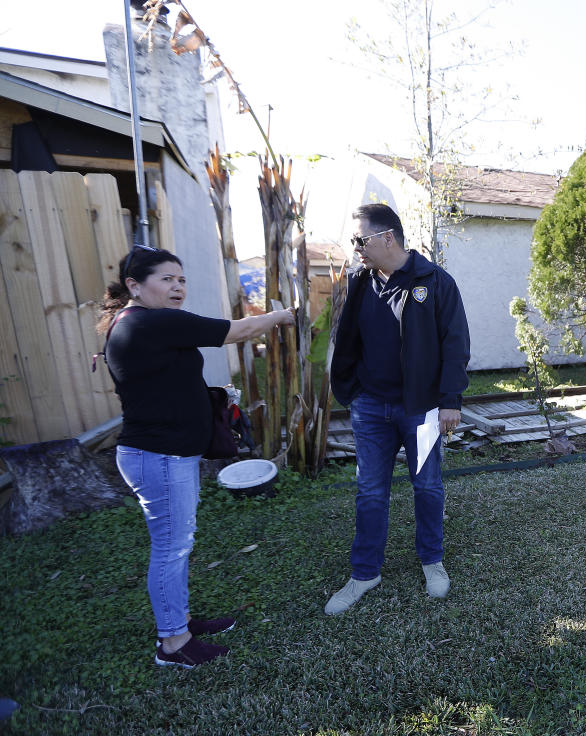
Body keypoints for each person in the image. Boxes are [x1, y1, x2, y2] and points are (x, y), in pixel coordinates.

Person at [98, 245, 295, 668]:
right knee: (171, 548)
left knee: (177, 545)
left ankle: (180, 620)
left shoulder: (137, 324)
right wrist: (280, 316)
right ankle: (174, 644)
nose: (177, 287)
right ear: (135, 285)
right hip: (160, 457)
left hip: (163, 455)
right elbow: (236, 331)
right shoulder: (151, 323)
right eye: (166, 279)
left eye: (181, 279)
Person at [325, 203, 470, 615]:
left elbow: (455, 343)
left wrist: (450, 401)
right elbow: (348, 338)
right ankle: (365, 572)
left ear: (387, 237)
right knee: (370, 491)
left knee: (427, 487)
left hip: (421, 408)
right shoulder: (359, 282)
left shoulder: (434, 281)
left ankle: (432, 561)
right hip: (370, 408)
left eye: (361, 240)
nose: (357, 249)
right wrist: (351, 390)